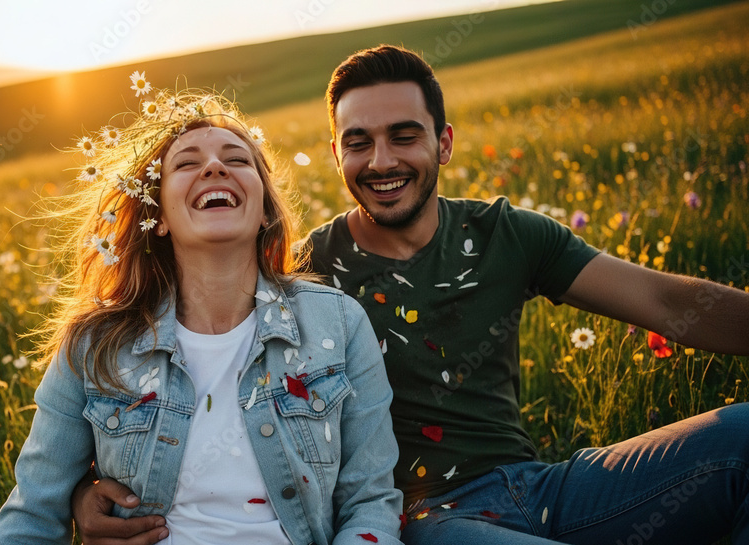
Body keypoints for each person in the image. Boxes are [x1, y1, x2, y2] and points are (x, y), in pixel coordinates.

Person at [71, 46, 749, 544]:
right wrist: (81, 486)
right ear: (336, 154)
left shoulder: (506, 235)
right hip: (422, 520)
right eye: (358, 142)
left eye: (404, 135)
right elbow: (189, 375)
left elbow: (667, 303)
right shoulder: (303, 273)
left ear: (443, 143)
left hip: (542, 488)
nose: (382, 161)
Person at [0, 83, 404, 544]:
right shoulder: (93, 345)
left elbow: (370, 504)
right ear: (159, 216)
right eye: (187, 163)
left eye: (237, 159)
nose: (213, 167)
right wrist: (78, 497)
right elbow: (32, 515)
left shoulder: (339, 325)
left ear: (265, 208)